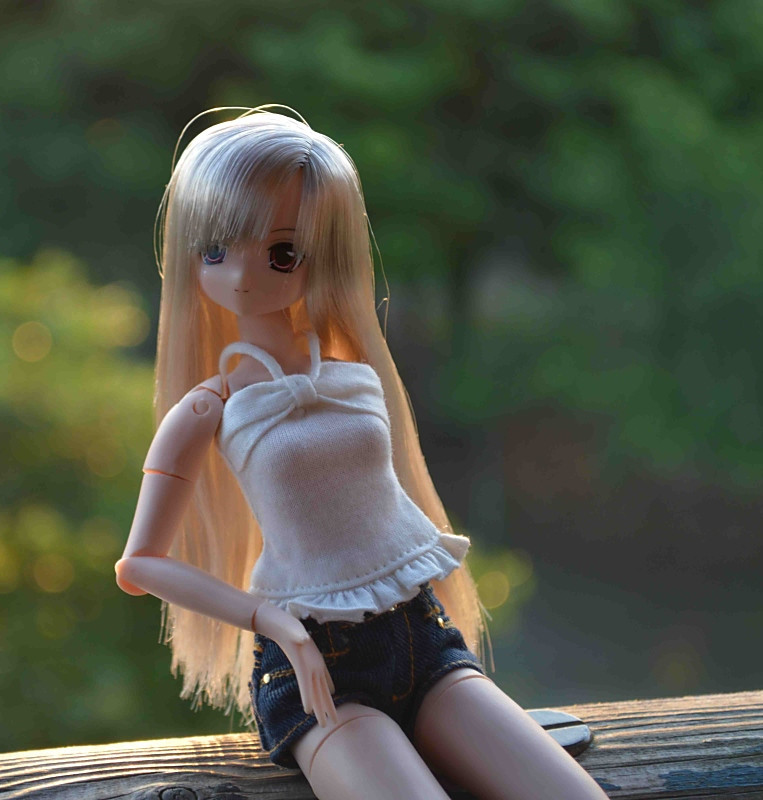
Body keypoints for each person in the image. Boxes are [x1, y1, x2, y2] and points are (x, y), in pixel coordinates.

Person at [115, 107, 608, 799]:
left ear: (324, 254)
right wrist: (270, 619)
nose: (243, 274)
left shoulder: (353, 369)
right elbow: (139, 564)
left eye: (281, 253)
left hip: (422, 635)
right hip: (317, 663)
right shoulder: (208, 407)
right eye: (215, 249)